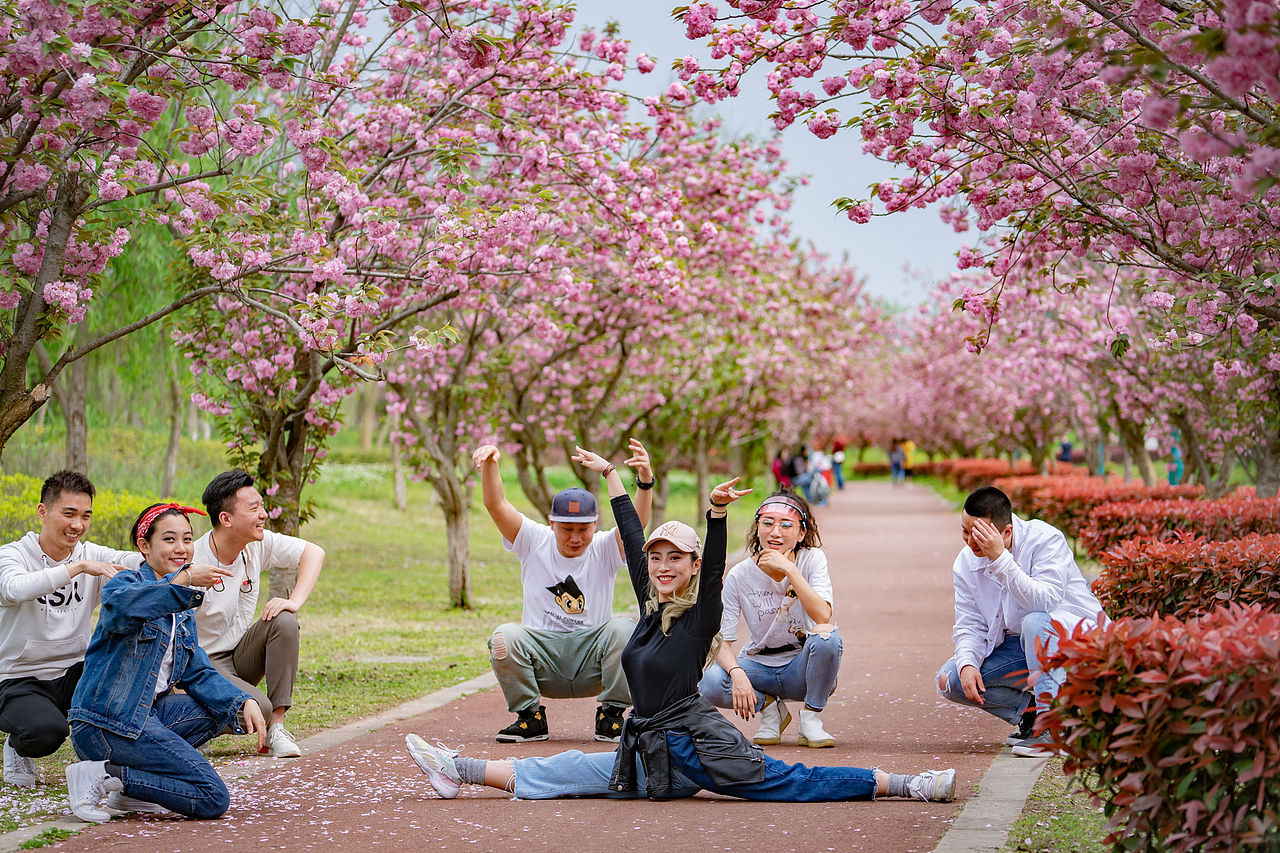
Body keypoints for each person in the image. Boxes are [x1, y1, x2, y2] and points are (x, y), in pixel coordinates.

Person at [405, 450, 955, 805]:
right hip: (649, 747)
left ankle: (905, 784)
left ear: (692, 565)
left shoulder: (699, 620)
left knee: (792, 781)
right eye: (656, 558)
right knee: (574, 768)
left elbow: (715, 567)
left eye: (676, 559)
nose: (663, 567)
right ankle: (461, 771)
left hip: (698, 747)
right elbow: (629, 530)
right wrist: (616, 478)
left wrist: (715, 515)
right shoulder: (650, 606)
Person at [66, 504, 267, 822]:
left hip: (145, 715)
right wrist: (183, 579)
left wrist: (243, 701)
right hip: (105, 724)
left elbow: (198, 672)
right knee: (212, 797)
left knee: (217, 709)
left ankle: (131, 792)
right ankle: (104, 775)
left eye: (187, 539)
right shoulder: (124, 586)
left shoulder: (183, 609)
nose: (182, 548)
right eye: (170, 539)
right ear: (144, 546)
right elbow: (127, 608)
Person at [471, 438, 653, 743]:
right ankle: (530, 718)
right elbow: (496, 504)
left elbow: (636, 525)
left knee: (625, 628)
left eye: (583, 529)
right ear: (551, 522)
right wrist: (490, 464)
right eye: (567, 529)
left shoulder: (605, 546)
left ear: (595, 524)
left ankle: (611, 717)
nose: (576, 538)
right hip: (543, 659)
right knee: (503, 637)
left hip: (592, 660)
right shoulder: (532, 539)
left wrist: (644, 481)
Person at [936, 486, 1105, 757]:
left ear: (1006, 532)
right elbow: (970, 623)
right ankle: (1034, 715)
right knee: (951, 679)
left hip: (1074, 645)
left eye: (979, 535)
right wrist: (967, 662)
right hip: (1024, 647)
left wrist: (1001, 559)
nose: (970, 542)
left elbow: (1043, 602)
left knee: (1034, 622)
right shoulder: (966, 562)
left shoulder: (1046, 540)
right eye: (965, 532)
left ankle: (1055, 729)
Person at [0, 471, 142, 788]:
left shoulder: (90, 554)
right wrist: (75, 568)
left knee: (121, 692)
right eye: (69, 513)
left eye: (85, 516)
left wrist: (171, 555)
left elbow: (129, 561)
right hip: (18, 677)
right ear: (43, 512)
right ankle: (17, 746)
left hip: (73, 672)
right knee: (46, 732)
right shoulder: (13, 555)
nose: (77, 525)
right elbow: (15, 589)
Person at [193, 470, 326, 758]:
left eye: (262, 506)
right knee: (258, 707)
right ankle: (192, 724)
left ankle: (276, 729)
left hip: (239, 655)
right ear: (226, 519)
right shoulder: (194, 560)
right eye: (254, 509)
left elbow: (314, 553)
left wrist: (294, 601)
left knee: (285, 620)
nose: (263, 515)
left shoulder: (257, 544)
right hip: (202, 663)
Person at [698, 490, 842, 748]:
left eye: (786, 525)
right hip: (758, 668)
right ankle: (769, 708)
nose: (775, 532)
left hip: (803, 670)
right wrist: (737, 672)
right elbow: (720, 640)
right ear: (758, 529)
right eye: (767, 523)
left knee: (827, 637)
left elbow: (823, 615)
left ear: (801, 534)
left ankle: (811, 718)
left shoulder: (812, 559)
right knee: (708, 681)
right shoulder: (739, 575)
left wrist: (789, 568)